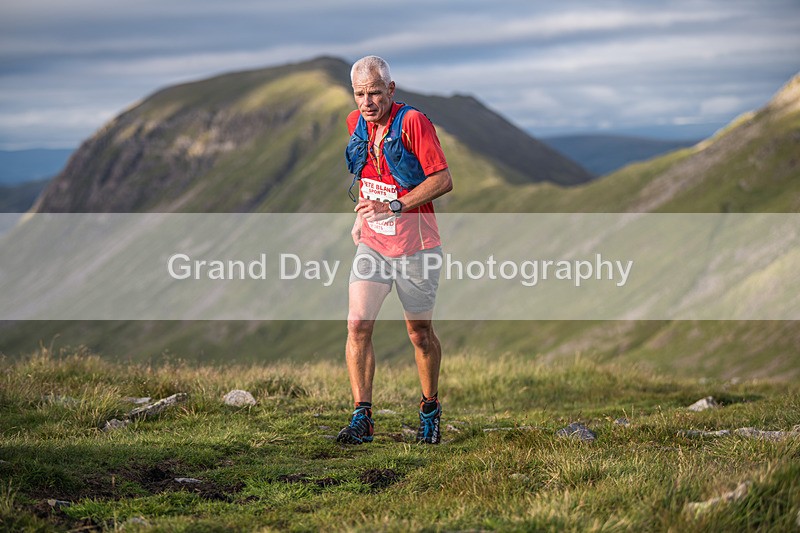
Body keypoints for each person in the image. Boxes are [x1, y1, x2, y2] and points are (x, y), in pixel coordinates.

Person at [337, 55, 453, 445]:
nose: (367, 102)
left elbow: (443, 179)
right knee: (357, 325)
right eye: (359, 94)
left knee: (419, 333)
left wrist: (395, 205)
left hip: (417, 246)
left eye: (374, 93)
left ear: (391, 89)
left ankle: (430, 410)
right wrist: (362, 216)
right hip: (373, 243)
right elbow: (370, 174)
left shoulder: (413, 123)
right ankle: (362, 418)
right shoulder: (356, 124)